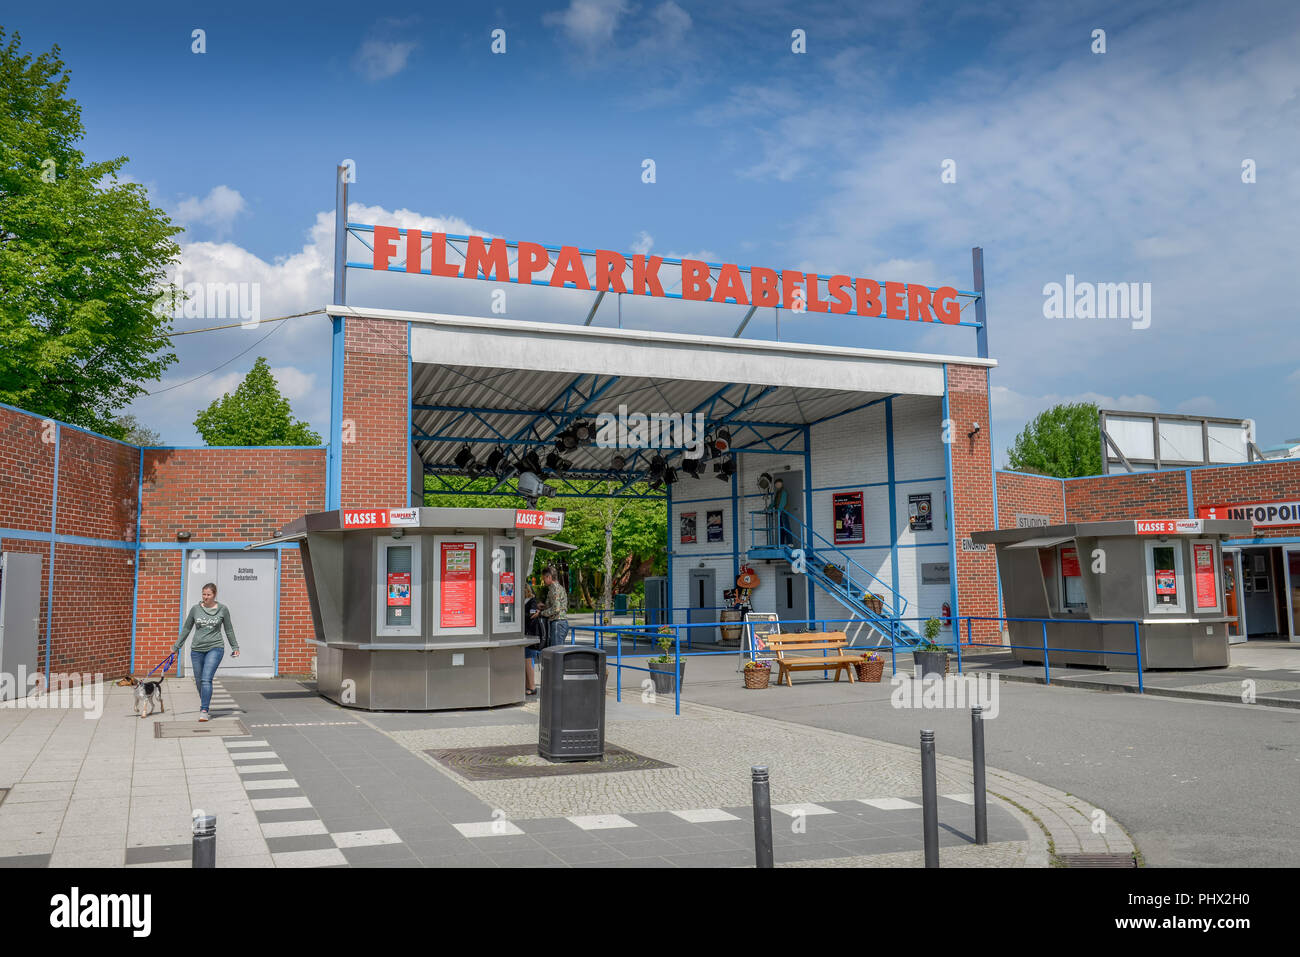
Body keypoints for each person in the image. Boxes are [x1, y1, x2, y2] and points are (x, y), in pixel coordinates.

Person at [172, 582, 239, 722]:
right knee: (198, 680)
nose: (206, 597)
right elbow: (186, 628)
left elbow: (229, 629)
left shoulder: (222, 609)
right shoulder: (195, 609)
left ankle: (204, 710)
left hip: (215, 647)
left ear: (214, 595)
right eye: (204, 594)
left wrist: (235, 647)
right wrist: (176, 646)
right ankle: (205, 702)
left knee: (206, 679)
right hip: (197, 649)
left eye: (208, 594)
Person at [540, 565, 569, 649]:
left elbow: (556, 608)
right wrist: (544, 606)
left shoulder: (554, 589)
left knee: (556, 653)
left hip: (558, 623)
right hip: (560, 623)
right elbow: (555, 605)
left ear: (549, 577)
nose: (543, 580)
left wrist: (542, 613)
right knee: (557, 652)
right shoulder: (557, 587)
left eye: (544, 578)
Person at [522, 583, 542, 696]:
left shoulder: (531, 602)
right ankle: (528, 685)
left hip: (530, 634)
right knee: (526, 660)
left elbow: (531, 615)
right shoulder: (526, 602)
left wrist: (518, 614)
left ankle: (532, 686)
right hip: (526, 633)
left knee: (528, 660)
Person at [771, 477, 791, 546]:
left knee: (786, 527)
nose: (777, 485)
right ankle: (781, 543)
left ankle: (790, 542)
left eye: (778, 484)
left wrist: (779, 510)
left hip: (783, 512)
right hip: (780, 512)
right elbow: (775, 502)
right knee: (781, 528)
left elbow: (782, 503)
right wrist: (769, 507)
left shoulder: (783, 492)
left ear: (781, 484)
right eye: (776, 484)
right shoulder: (778, 492)